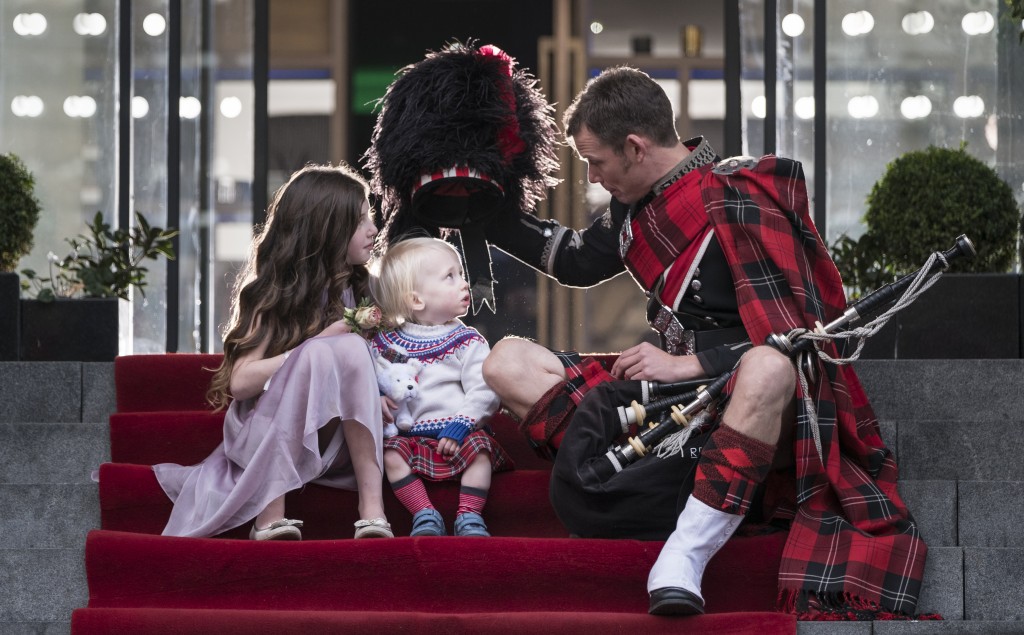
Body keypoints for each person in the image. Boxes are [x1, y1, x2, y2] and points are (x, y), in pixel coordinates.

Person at [480, 66, 928, 618]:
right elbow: (571, 259)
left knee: (770, 366)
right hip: (666, 402)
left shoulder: (742, 192)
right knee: (506, 360)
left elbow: (801, 341)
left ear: (636, 147)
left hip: (746, 398)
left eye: (596, 162)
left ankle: (686, 552)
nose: (593, 178)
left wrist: (686, 364)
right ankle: (666, 489)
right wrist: (484, 213)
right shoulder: (632, 207)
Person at [153, 163, 393, 541]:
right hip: (270, 431)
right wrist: (313, 346)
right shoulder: (274, 293)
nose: (373, 230)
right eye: (361, 220)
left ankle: (372, 512)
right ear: (326, 228)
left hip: (337, 438)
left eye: (370, 218)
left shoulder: (365, 288)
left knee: (345, 346)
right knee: (324, 350)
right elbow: (242, 382)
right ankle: (269, 515)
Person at [369, 237, 513, 537]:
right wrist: (378, 399)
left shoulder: (467, 340)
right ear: (416, 300)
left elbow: (485, 390)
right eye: (451, 276)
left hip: (458, 432)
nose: (464, 283)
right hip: (410, 437)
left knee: (481, 453)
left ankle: (469, 515)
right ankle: (424, 513)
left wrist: (462, 425)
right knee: (390, 456)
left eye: (461, 274)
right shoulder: (386, 344)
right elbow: (374, 380)